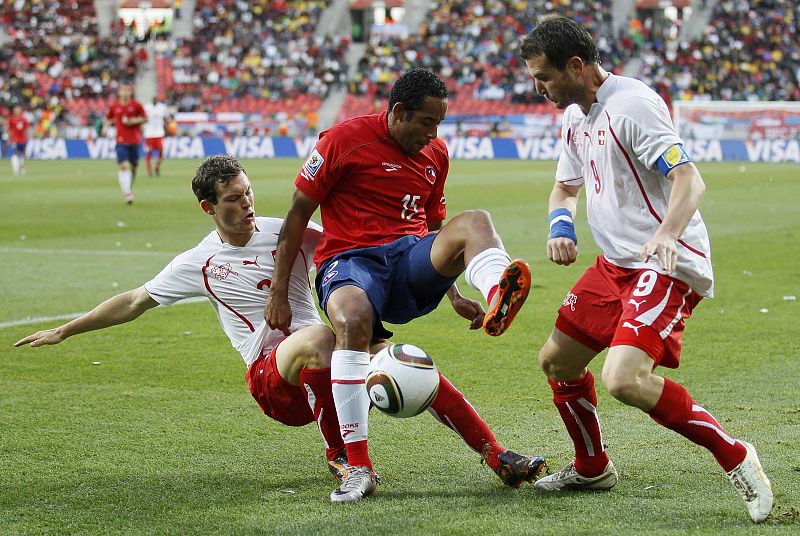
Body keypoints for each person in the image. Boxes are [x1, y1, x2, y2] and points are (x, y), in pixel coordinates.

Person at [15, 154, 544, 495]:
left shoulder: (284, 231)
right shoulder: (198, 262)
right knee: (318, 336)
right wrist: (67, 329)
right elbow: (134, 301)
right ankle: (343, 457)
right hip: (272, 377)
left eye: (247, 193)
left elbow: (356, 254)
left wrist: (450, 293)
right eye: (232, 200)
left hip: (327, 356)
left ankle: (497, 456)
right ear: (208, 207)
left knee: (404, 360)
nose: (246, 205)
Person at [519, 15, 772, 523]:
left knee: (624, 379)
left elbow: (689, 179)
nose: (537, 88)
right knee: (557, 362)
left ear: (576, 65)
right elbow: (564, 187)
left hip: (664, 263)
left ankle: (737, 455)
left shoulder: (632, 105)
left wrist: (666, 234)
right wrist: (560, 225)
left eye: (544, 77)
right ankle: (592, 467)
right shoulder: (574, 115)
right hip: (615, 265)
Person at [265, 68, 538, 503]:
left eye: (439, 125)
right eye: (426, 122)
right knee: (353, 323)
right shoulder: (341, 140)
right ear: (397, 113)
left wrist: (452, 293)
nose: (433, 134)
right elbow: (298, 212)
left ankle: (495, 296)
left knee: (475, 222)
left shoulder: (436, 155)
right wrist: (279, 289)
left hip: (408, 260)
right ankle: (358, 469)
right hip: (351, 263)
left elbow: (434, 225)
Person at [104, 83, 147, 204]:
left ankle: (128, 186)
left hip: (134, 140)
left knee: (133, 168)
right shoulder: (114, 106)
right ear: (119, 93)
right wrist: (105, 127)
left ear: (130, 92)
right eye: (123, 90)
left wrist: (134, 120)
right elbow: (108, 118)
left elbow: (145, 118)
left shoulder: (136, 105)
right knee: (122, 165)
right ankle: (127, 192)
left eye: (127, 90)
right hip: (120, 141)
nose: (125, 93)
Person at [143, 97, 169, 177]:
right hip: (149, 133)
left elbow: (165, 119)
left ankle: (156, 167)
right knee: (149, 152)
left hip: (159, 133)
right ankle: (149, 170)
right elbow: (142, 118)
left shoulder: (162, 107)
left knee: (161, 151)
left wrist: (166, 129)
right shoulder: (146, 107)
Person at [5, 105, 30, 176]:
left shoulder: (24, 119)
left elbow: (27, 129)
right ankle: (15, 171)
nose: (17, 111)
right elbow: (9, 130)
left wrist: (28, 138)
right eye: (15, 109)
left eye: (18, 109)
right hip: (14, 140)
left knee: (22, 155)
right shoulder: (11, 119)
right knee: (14, 154)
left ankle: (22, 168)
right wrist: (8, 138)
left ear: (20, 110)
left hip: (22, 140)